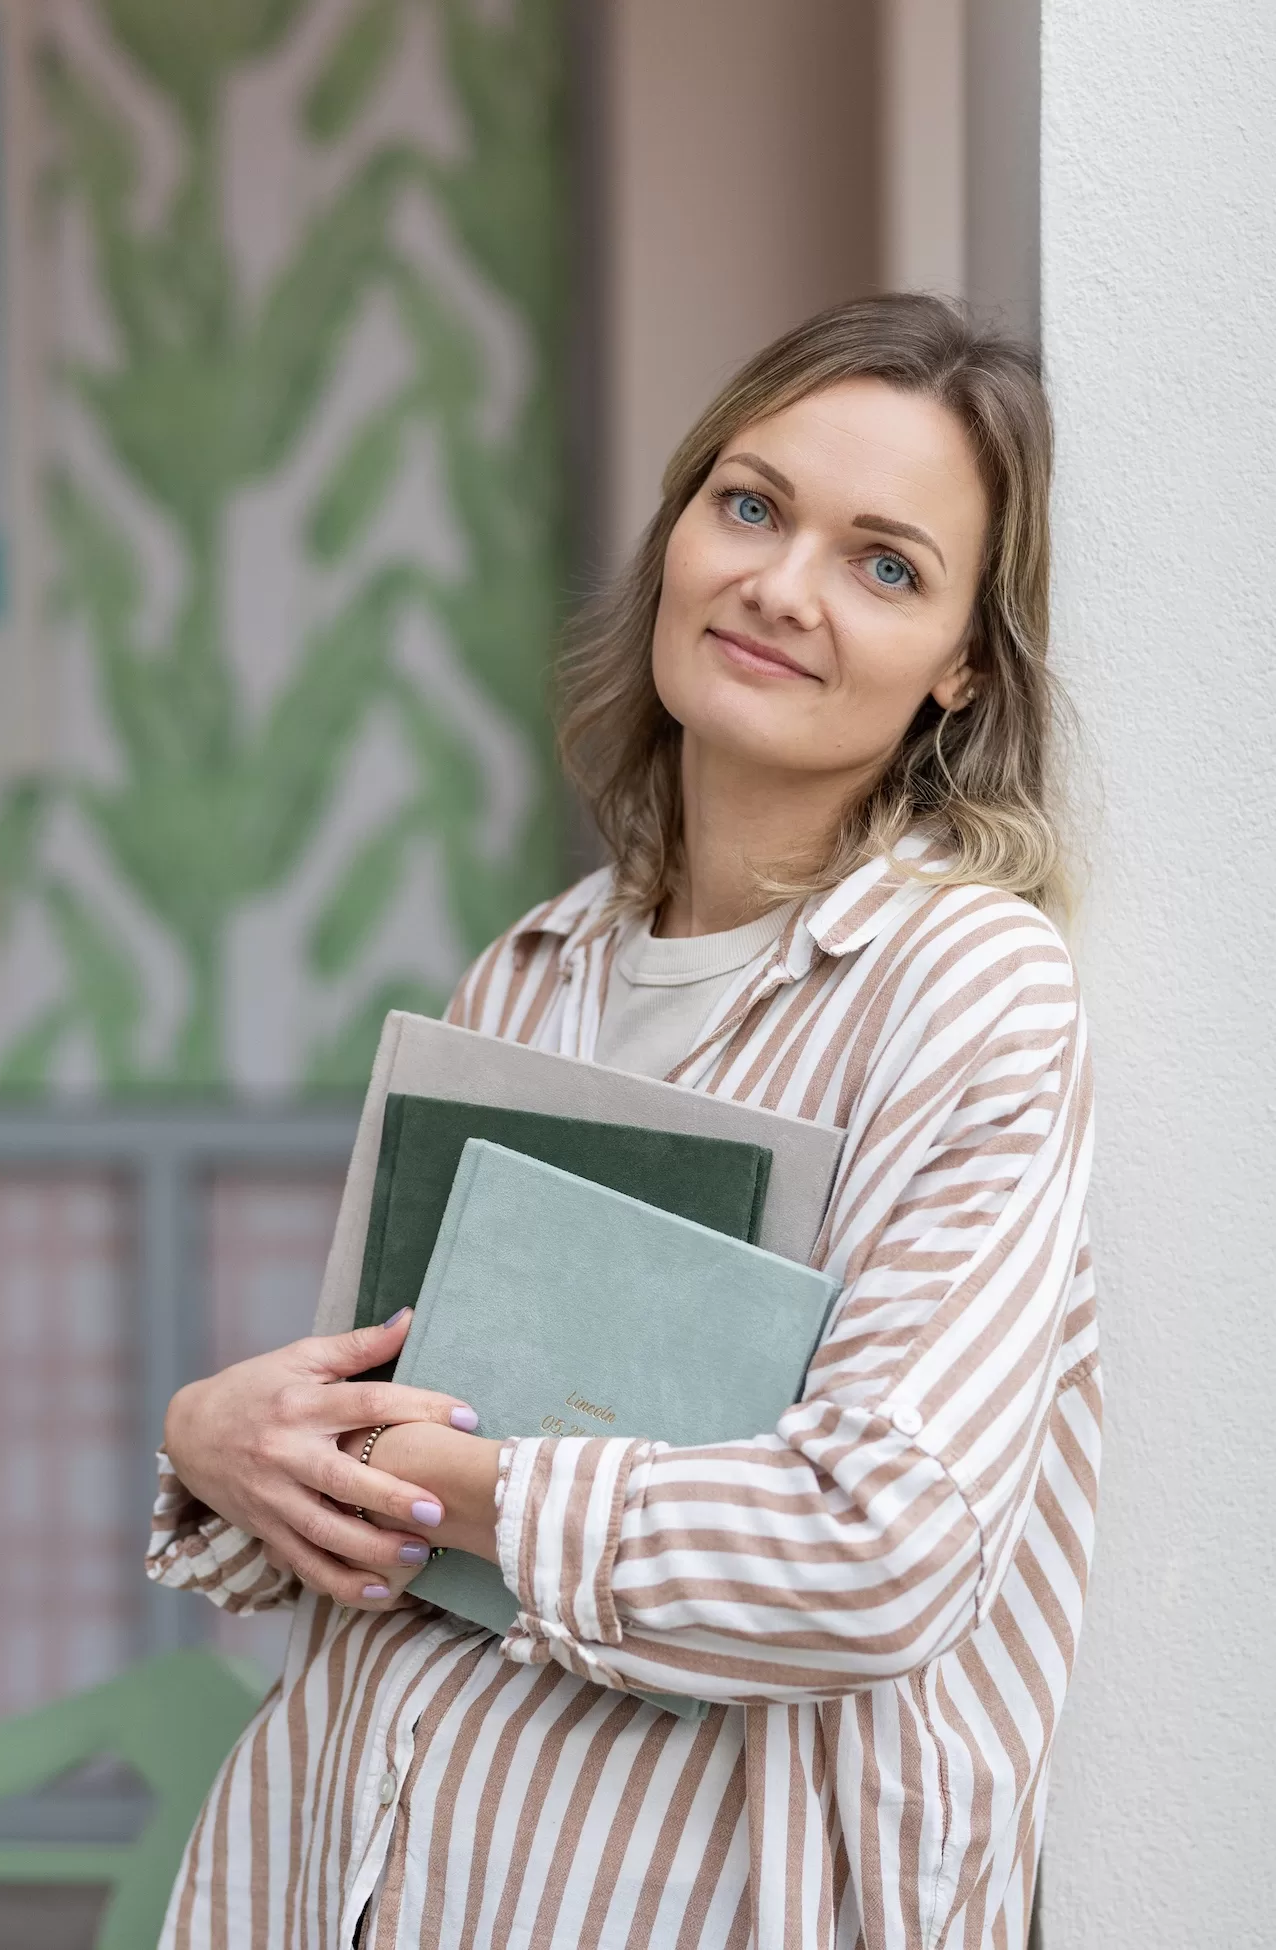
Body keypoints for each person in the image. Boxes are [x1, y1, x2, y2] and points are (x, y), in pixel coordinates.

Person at [149, 294, 1098, 1950]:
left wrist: (451, 1480)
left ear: (961, 662)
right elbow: (374, 1450)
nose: (781, 586)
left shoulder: (964, 993)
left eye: (886, 564)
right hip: (342, 1876)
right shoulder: (526, 972)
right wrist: (224, 1444)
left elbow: (879, 1548)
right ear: (677, 528)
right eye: (750, 503)